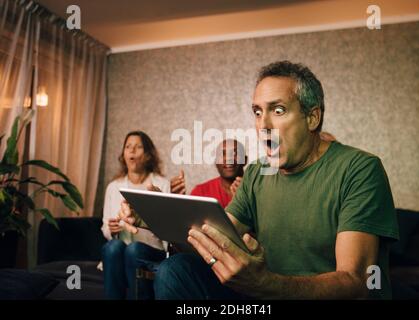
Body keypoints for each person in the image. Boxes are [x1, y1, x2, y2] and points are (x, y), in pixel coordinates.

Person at [153, 61, 399, 300]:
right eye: (257, 112)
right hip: (264, 295)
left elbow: (355, 282)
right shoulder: (258, 171)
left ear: (312, 118)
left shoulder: (360, 168)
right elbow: (216, 236)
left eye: (278, 110)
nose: (263, 125)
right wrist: (155, 217)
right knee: (175, 270)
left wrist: (266, 285)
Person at [101, 131, 170, 300]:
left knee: (133, 250)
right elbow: (105, 228)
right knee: (112, 247)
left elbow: (168, 229)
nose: (132, 151)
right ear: (123, 155)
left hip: (152, 249)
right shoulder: (113, 187)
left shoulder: (161, 184)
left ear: (147, 155)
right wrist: (112, 229)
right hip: (121, 248)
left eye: (138, 147)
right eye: (128, 147)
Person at [170, 139, 247, 208]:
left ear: (245, 160)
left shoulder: (256, 189)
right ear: (216, 162)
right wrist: (178, 203)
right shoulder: (201, 192)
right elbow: (190, 221)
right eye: (223, 154)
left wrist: (246, 201)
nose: (228, 158)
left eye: (234, 153)